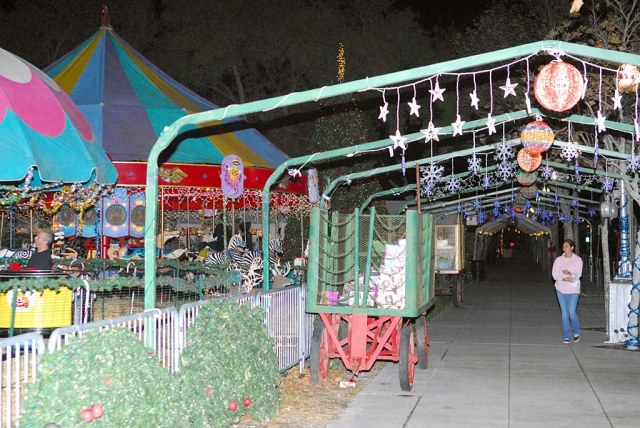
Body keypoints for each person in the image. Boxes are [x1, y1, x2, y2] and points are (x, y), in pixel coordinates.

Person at [552, 239, 583, 344]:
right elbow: (555, 275)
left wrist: (570, 274)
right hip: (561, 288)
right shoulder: (559, 260)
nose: (564, 249)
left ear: (572, 248)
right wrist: (564, 279)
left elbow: (578, 275)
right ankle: (566, 335)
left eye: (566, 246)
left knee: (571, 312)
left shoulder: (578, 260)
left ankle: (576, 331)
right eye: (563, 246)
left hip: (573, 289)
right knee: (564, 313)